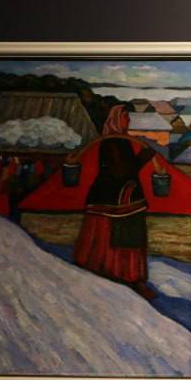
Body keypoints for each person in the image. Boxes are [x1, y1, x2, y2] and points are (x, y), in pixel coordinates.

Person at [71, 105, 159, 299]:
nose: (128, 121)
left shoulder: (122, 140)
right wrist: (142, 159)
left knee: (131, 235)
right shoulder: (112, 142)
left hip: (126, 196)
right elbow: (120, 171)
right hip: (113, 199)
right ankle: (121, 275)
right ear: (116, 119)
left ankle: (130, 276)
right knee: (121, 235)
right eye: (125, 117)